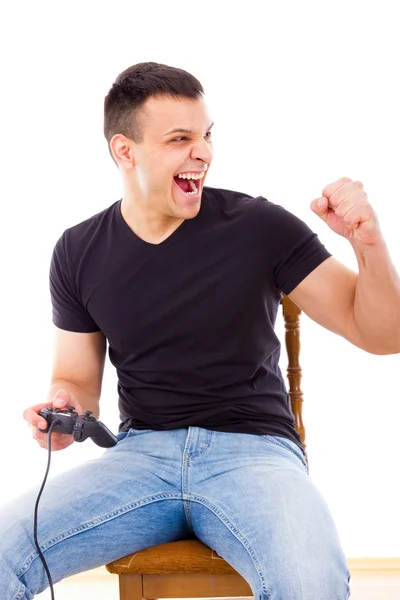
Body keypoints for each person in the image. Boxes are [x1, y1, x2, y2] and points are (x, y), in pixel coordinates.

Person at [1, 61, 399, 600]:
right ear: (125, 151)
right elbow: (74, 378)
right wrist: (64, 410)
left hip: (255, 454)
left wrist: (368, 244)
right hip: (140, 458)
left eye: (206, 135)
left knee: (311, 583)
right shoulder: (77, 251)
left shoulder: (259, 226)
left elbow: (380, 333)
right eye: (181, 139)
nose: (203, 152)